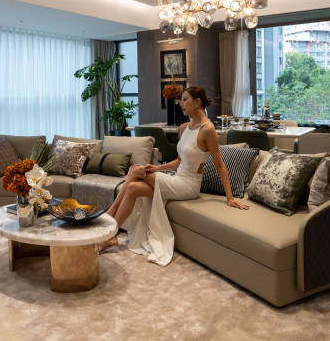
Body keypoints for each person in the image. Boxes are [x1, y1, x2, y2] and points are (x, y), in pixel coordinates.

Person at [99, 86, 248, 265]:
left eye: (185, 99)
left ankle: (110, 215)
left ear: (197, 102)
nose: (180, 104)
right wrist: (156, 167)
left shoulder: (208, 130)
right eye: (181, 100)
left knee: (136, 170)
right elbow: (178, 161)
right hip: (176, 178)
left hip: (189, 185)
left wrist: (230, 198)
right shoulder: (185, 128)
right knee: (132, 188)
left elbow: (220, 166)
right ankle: (111, 236)